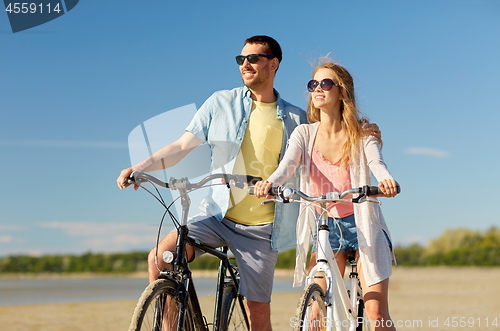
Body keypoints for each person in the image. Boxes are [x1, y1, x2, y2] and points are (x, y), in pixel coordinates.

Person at [254, 58, 399, 331]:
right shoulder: (304, 133)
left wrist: (386, 180)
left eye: (326, 83)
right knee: (315, 307)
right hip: (325, 225)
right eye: (313, 84)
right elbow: (287, 165)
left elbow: (376, 163)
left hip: (363, 224)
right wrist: (270, 183)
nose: (317, 88)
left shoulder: (362, 135)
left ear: (341, 90)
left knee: (376, 311)